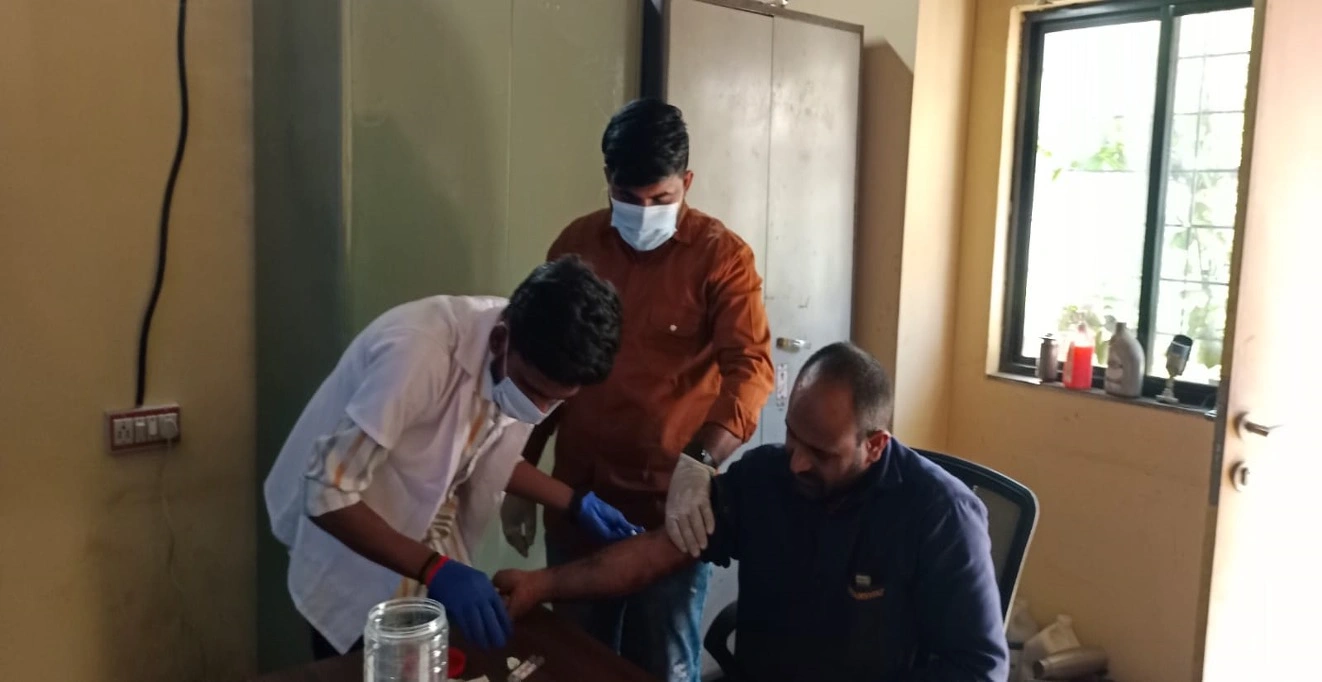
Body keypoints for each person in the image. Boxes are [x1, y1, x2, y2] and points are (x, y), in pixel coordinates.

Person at [495, 342, 1009, 682]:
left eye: (821, 453)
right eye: (792, 437)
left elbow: (979, 668)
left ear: (874, 446)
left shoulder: (941, 515)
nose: (798, 461)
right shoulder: (767, 477)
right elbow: (655, 553)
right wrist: (542, 585)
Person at [499, 99, 775, 681]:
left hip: (670, 512)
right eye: (628, 198)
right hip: (576, 502)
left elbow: (751, 370)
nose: (644, 211)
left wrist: (701, 462)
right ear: (607, 179)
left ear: (687, 183)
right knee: (575, 662)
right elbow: (543, 365)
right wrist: (516, 470)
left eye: (660, 198)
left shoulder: (722, 258)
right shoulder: (576, 246)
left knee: (663, 667)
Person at [263, 256, 643, 659]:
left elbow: (483, 455)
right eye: (533, 391)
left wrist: (573, 502)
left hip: (426, 549)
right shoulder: (417, 356)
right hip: (356, 550)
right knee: (359, 666)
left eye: (557, 400)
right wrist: (436, 569)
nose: (539, 409)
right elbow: (326, 494)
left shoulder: (523, 354)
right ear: (499, 340)